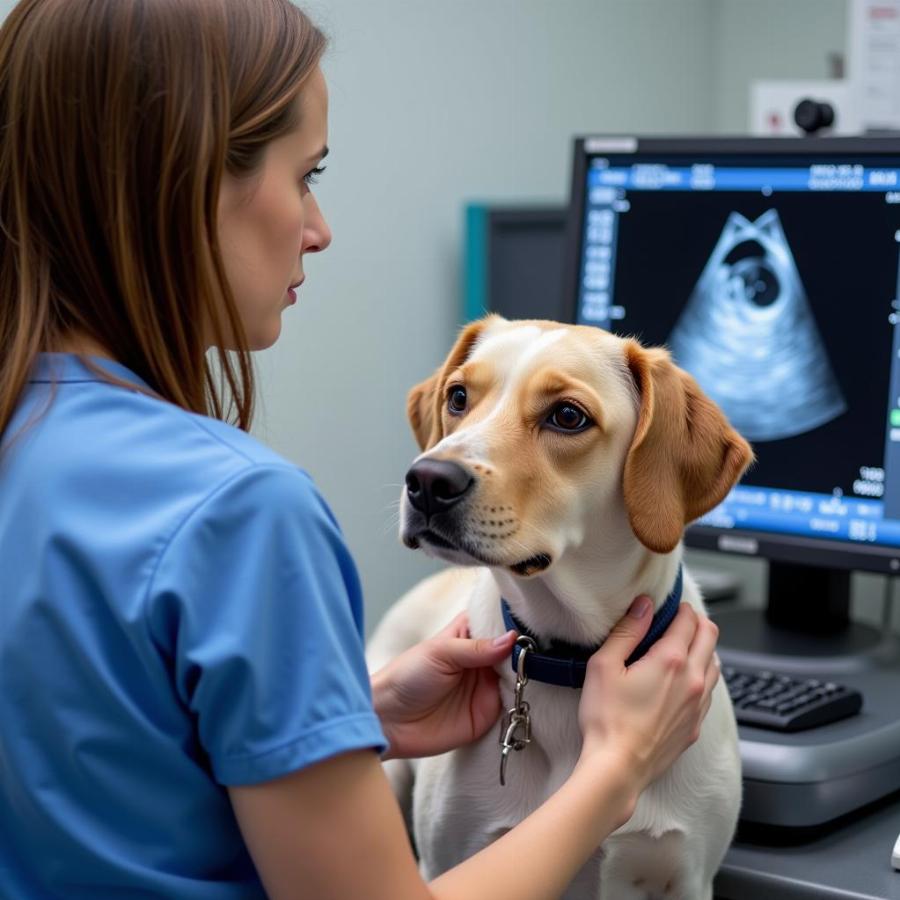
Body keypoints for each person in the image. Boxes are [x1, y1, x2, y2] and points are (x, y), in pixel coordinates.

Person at [0, 1, 722, 898]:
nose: (319, 226)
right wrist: (617, 766)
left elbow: (110, 764)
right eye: (305, 176)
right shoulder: (237, 511)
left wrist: (357, 714)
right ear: (179, 179)